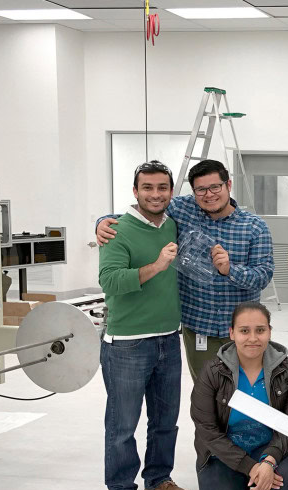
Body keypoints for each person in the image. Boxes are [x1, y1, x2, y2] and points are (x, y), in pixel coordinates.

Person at [97, 159, 275, 382]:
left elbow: (263, 276)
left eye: (215, 187)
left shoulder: (254, 226)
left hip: (242, 330)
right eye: (201, 189)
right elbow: (142, 212)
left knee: (248, 396)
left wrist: (230, 270)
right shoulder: (182, 209)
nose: (209, 194)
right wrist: (103, 221)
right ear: (193, 192)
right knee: (207, 398)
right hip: (198, 327)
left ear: (228, 185)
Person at [98, 160, 188, 490]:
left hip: (169, 337)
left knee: (166, 419)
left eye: (162, 187)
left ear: (170, 191)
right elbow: (111, 282)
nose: (156, 194)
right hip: (128, 343)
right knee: (123, 424)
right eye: (147, 187)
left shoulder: (172, 223)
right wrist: (157, 266)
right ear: (135, 191)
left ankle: (158, 478)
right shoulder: (117, 230)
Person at [190, 302, 288, 490]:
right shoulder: (212, 372)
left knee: (287, 478)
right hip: (223, 455)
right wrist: (251, 467)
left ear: (270, 332)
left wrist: (269, 461)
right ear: (231, 333)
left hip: (268, 449)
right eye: (244, 331)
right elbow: (207, 430)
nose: (253, 338)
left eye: (260, 330)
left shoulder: (287, 369)